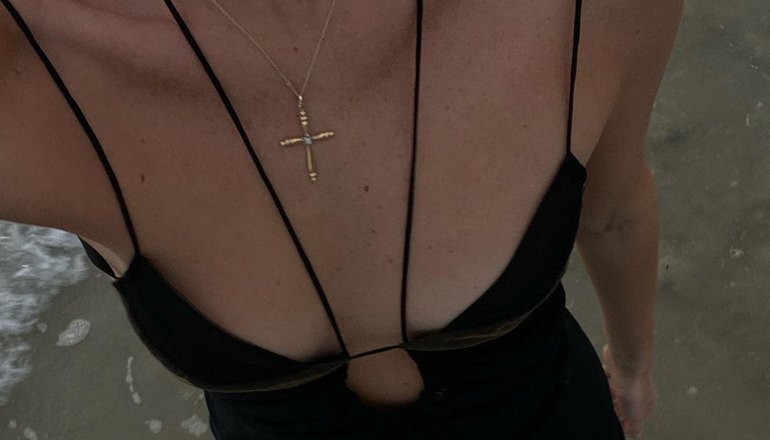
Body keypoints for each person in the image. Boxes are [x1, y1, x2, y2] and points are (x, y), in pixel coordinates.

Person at [0, 0, 682, 438]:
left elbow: (616, 211)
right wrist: (632, 373)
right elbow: (614, 216)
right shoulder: (26, 60)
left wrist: (631, 372)